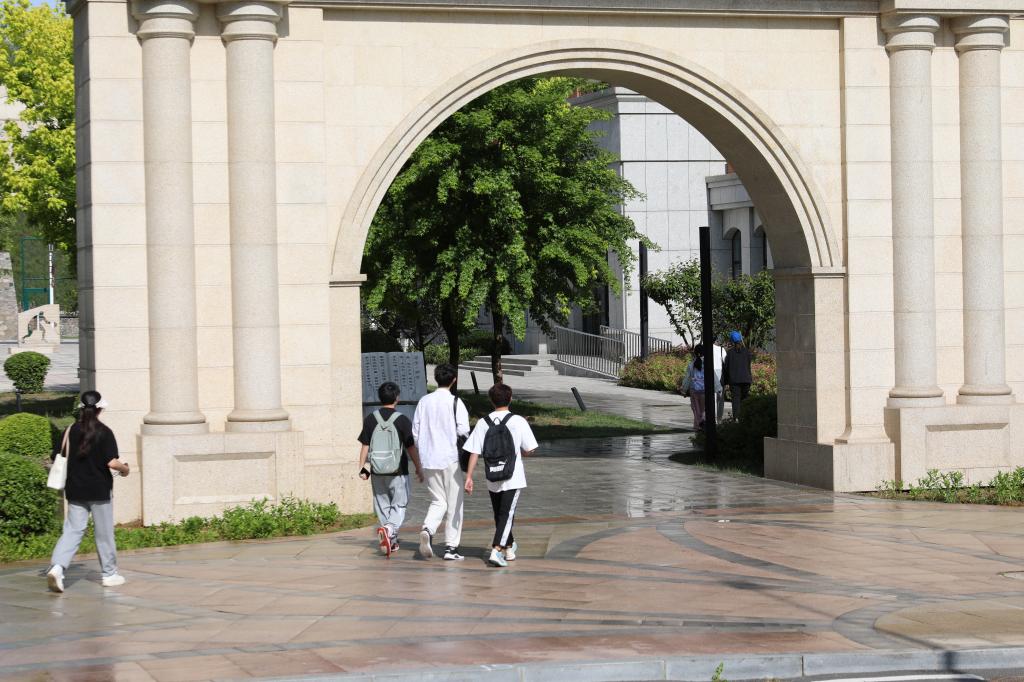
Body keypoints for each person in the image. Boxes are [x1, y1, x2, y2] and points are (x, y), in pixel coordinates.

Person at [46, 391, 129, 593]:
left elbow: (56, 455)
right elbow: (111, 462)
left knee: (73, 530)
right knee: (104, 533)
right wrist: (125, 469)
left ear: (81, 409)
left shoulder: (69, 431)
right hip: (100, 490)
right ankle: (109, 574)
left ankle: (57, 567)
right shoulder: (105, 432)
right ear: (100, 409)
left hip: (75, 489)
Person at [463, 382, 538, 568]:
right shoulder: (518, 421)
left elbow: (474, 451)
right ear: (510, 398)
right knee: (506, 514)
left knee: (500, 514)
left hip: (492, 476)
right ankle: (496, 550)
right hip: (513, 476)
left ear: (491, 400)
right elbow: (530, 449)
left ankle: (509, 548)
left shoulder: (483, 422)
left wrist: (469, 476)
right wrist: (522, 452)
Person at [357, 381, 424, 556]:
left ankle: (390, 541)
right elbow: (410, 447)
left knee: (382, 504)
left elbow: (365, 445)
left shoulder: (370, 419)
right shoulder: (402, 420)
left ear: (380, 397)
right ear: (397, 398)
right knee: (399, 503)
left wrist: (362, 468)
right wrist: (418, 467)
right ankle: (389, 529)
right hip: (398, 471)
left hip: (376, 470)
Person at [412, 363, 470, 561]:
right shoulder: (456, 402)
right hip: (451, 458)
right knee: (454, 503)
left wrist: (424, 449)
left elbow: (415, 432)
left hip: (429, 458)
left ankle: (428, 529)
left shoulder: (424, 401)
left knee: (438, 500)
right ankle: (451, 548)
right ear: (454, 380)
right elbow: (463, 430)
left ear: (436, 379)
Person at [678, 344, 721, 430]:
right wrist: (718, 388)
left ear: (695, 353)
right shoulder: (707, 364)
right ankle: (704, 422)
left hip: (694, 391)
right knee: (704, 409)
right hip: (705, 391)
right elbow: (713, 376)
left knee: (696, 409)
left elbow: (687, 378)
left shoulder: (691, 365)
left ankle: (698, 425)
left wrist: (684, 390)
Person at [723, 331, 753, 420]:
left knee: (736, 400)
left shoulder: (730, 353)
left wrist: (725, 382)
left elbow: (726, 368)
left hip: (734, 381)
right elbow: (748, 365)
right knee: (744, 399)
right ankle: (744, 418)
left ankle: (736, 419)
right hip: (746, 380)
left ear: (732, 341)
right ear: (740, 339)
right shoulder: (747, 352)